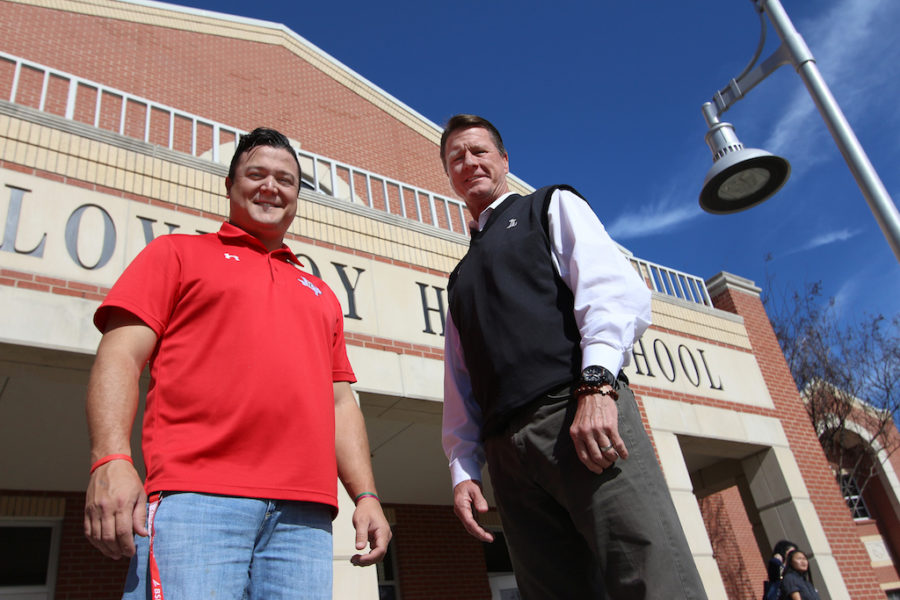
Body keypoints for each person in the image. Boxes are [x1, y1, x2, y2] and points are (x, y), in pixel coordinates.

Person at [83, 127, 391, 599]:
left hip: (304, 515)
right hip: (196, 498)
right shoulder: (176, 254)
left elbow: (340, 403)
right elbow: (120, 353)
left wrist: (365, 495)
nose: (272, 186)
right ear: (230, 185)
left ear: (297, 196)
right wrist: (111, 458)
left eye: (286, 180)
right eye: (257, 174)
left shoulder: (322, 294)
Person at [440, 114, 707, 599]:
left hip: (580, 414)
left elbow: (613, 294)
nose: (469, 162)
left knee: (651, 577)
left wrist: (598, 385)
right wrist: (464, 470)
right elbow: (459, 386)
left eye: (479, 150)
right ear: (450, 176)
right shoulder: (458, 280)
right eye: (456, 157)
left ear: (503, 160)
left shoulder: (549, 206)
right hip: (507, 456)